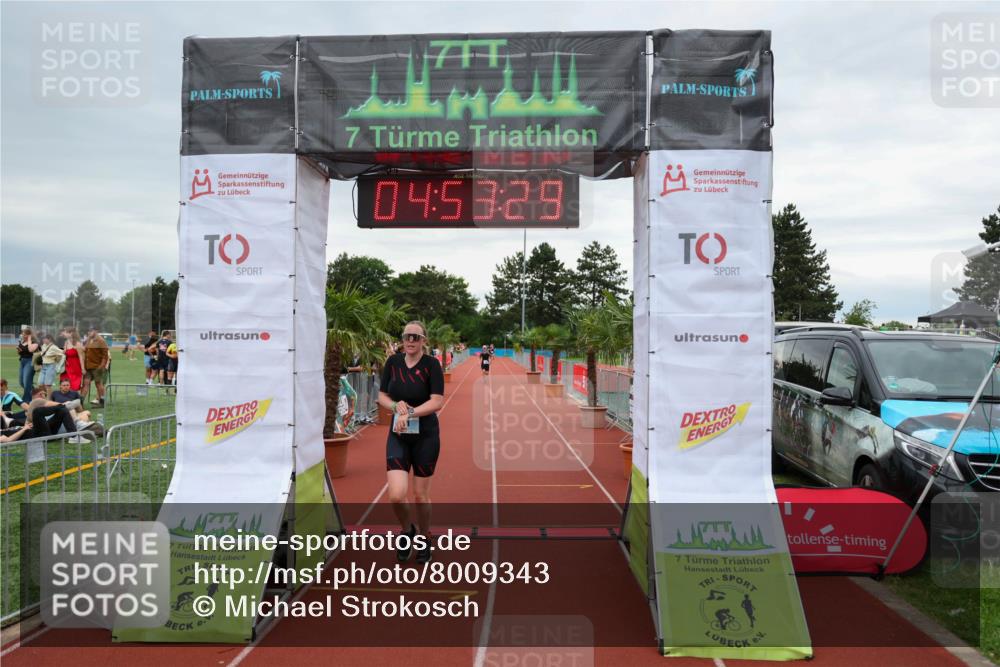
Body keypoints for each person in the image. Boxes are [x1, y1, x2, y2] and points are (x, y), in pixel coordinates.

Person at [377, 321, 445, 564]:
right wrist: (396, 407)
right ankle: (407, 530)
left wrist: (410, 413)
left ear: (423, 340)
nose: (411, 340)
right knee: (396, 494)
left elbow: (437, 401)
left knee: (420, 495)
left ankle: (425, 537)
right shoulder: (393, 363)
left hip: (425, 436)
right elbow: (382, 395)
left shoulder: (432, 365)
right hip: (398, 435)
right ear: (402, 339)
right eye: (407, 336)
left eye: (416, 337)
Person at [82, 328, 110, 406]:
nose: (89, 332)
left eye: (91, 331)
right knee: (85, 383)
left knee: (98, 384)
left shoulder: (101, 341)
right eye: (88, 331)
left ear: (96, 331)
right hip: (88, 366)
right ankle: (81, 402)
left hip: (97, 367)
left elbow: (105, 355)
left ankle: (102, 402)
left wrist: (101, 366)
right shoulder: (88, 340)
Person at [37, 333, 65, 398]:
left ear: (49, 339)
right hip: (43, 366)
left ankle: (49, 400)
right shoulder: (43, 345)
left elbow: (62, 353)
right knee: (40, 384)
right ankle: (44, 398)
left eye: (45, 339)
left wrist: (58, 362)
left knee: (48, 385)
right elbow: (42, 355)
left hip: (50, 366)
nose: (43, 340)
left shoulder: (54, 347)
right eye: (43, 339)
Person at [16, 328, 39, 398]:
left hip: (30, 362)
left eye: (25, 334)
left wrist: (29, 339)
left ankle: (26, 399)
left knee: (27, 382)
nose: (23, 336)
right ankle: (36, 393)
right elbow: (20, 353)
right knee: (21, 382)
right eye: (22, 334)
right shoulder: (22, 341)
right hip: (22, 361)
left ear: (29, 335)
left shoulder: (35, 342)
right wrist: (19, 350)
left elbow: (30, 350)